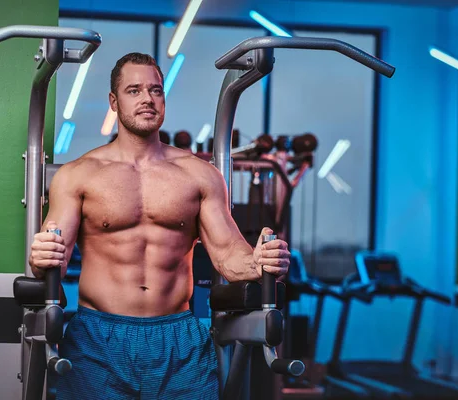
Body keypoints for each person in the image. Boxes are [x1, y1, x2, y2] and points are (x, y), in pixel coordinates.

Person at [29, 52, 291, 399]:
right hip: (99, 337)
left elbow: (228, 252)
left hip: (178, 339)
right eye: (134, 90)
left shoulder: (199, 175)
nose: (147, 99)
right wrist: (41, 257)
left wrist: (261, 262)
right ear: (114, 100)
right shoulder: (78, 175)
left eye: (156, 90)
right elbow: (51, 260)